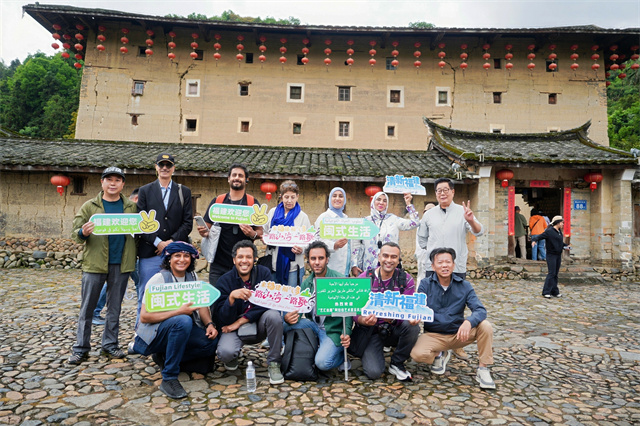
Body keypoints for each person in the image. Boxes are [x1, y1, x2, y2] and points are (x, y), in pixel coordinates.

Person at [129, 242, 218, 399]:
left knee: (210, 343)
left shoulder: (192, 277)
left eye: (186, 256)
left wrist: (209, 324)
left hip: (180, 329)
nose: (182, 259)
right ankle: (169, 377)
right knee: (183, 320)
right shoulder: (158, 280)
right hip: (155, 333)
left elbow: (202, 304)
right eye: (177, 256)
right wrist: (178, 312)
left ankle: (166, 358)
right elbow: (144, 317)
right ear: (169, 259)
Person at [67, 167, 137, 364]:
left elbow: (139, 230)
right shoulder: (90, 206)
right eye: (109, 179)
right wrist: (83, 232)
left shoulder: (130, 207)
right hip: (94, 263)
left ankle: (110, 345)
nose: (113, 183)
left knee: (114, 308)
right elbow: (75, 233)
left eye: (117, 180)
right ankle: (81, 348)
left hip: (121, 263)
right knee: (87, 308)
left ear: (123, 184)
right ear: (102, 182)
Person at [411, 247, 496, 389]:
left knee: (485, 326)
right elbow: (418, 306)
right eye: (440, 262)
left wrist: (469, 322)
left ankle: (483, 369)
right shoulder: (425, 284)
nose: (444, 265)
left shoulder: (464, 286)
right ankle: (440, 354)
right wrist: (415, 316)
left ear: (453, 265)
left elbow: (480, 310)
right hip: (434, 335)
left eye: (448, 262)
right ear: (433, 266)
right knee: (417, 355)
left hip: (459, 334)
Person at [214, 240, 285, 385]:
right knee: (225, 353)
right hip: (232, 327)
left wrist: (241, 320)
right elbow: (220, 318)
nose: (244, 261)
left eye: (248, 257)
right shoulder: (224, 280)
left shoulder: (263, 273)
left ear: (254, 259)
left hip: (259, 323)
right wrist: (231, 299)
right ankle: (233, 356)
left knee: (274, 315)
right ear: (234, 260)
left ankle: (274, 363)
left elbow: (268, 302)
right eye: (240, 257)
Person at [136, 153, 193, 324]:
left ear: (173, 168)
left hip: (176, 253)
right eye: (161, 165)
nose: (165, 168)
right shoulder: (145, 191)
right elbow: (140, 222)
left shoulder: (184, 192)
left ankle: (170, 329)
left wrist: (170, 243)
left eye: (168, 165)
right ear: (156, 167)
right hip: (150, 251)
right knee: (146, 294)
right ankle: (141, 332)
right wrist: (158, 242)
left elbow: (187, 223)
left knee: (175, 295)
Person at [351, 242, 420, 381]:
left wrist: (397, 318)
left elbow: (408, 309)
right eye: (385, 256)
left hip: (394, 327)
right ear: (379, 257)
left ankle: (397, 362)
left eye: (393, 257)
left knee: (412, 326)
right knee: (374, 372)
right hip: (372, 330)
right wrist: (363, 320)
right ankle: (372, 352)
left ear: (399, 259)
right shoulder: (364, 278)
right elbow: (354, 310)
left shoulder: (405, 279)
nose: (389, 260)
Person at [290, 241, 352, 371]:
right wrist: (289, 318)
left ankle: (342, 357)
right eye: (313, 258)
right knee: (284, 325)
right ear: (308, 261)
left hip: (332, 331)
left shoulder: (339, 280)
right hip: (313, 325)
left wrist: (346, 334)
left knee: (322, 363)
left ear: (327, 259)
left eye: (321, 258)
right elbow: (300, 309)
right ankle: (289, 352)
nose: (317, 262)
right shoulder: (307, 283)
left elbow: (348, 313)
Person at [197, 164, 263, 286]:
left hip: (243, 263)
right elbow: (206, 228)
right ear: (228, 178)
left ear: (246, 180)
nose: (237, 178)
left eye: (240, 176)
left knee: (242, 296)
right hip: (218, 263)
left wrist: (253, 234)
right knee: (217, 296)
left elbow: (260, 232)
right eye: (234, 175)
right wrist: (203, 232)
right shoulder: (218, 201)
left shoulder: (252, 203)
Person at [417, 178, 483, 280]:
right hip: (434, 267)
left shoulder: (463, 212)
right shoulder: (428, 214)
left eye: (445, 190)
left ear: (453, 191)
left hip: (456, 266)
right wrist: (434, 248)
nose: (442, 193)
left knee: (456, 290)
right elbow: (422, 239)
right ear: (436, 193)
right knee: (433, 290)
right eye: (439, 191)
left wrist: (471, 221)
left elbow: (479, 232)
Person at [93, 187, 141, 326]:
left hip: (130, 255)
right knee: (140, 283)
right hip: (123, 256)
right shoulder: (125, 212)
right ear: (137, 199)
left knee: (115, 284)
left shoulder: (132, 213)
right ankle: (142, 316)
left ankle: (95, 312)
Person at [351, 191, 419, 276]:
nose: (381, 202)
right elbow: (356, 244)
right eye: (378, 199)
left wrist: (408, 203)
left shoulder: (393, 219)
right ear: (373, 201)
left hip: (389, 265)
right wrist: (354, 265)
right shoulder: (364, 221)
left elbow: (415, 223)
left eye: (384, 201)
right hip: (369, 266)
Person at [263, 180, 311, 286]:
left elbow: (309, 240)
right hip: (273, 263)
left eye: (293, 197)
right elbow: (265, 232)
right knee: (272, 294)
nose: (289, 200)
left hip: (294, 265)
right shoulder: (273, 213)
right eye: (286, 197)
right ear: (281, 197)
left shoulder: (302, 217)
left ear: (297, 197)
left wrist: (302, 249)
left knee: (291, 294)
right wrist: (265, 238)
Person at [314, 187, 351, 277]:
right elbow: (317, 240)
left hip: (345, 268)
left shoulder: (346, 218)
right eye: (334, 196)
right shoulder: (323, 218)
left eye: (341, 196)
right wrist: (334, 245)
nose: (337, 198)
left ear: (344, 200)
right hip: (331, 266)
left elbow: (351, 245)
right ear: (330, 199)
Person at [532, 216, 570, 298]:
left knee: (555, 274)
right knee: (551, 273)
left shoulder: (559, 232)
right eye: (562, 223)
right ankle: (546, 291)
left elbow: (560, 242)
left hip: (558, 255)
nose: (563, 224)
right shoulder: (549, 231)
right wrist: (534, 240)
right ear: (558, 222)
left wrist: (566, 246)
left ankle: (554, 291)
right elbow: (540, 236)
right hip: (551, 255)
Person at [415, 203, 436, 282]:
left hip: (435, 254)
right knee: (422, 276)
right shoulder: (421, 223)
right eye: (427, 211)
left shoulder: (437, 223)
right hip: (423, 253)